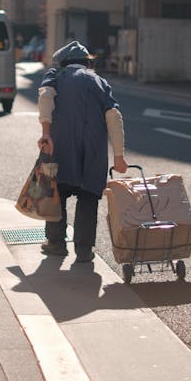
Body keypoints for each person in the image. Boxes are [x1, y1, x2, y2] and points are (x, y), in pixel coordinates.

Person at [37, 40, 128, 263]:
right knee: (88, 197)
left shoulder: (56, 75)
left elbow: (46, 96)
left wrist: (46, 132)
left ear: (63, 62)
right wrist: (119, 157)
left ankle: (57, 244)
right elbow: (114, 118)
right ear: (86, 63)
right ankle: (84, 250)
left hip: (61, 145)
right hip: (94, 150)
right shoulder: (99, 81)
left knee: (57, 193)